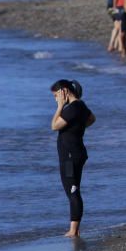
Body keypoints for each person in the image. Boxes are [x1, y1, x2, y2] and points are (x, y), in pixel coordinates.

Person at [49, 79, 95, 238]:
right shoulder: (81, 106)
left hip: (70, 156)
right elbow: (91, 119)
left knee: (72, 190)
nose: (56, 99)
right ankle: (75, 228)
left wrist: (60, 106)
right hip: (77, 153)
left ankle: (73, 230)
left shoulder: (71, 108)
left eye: (56, 95)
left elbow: (54, 126)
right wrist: (78, 127)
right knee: (73, 189)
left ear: (64, 92)